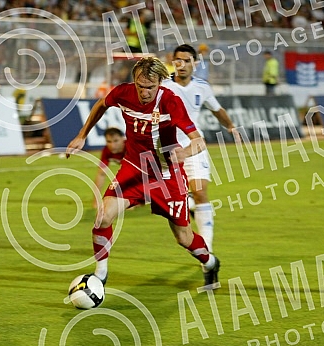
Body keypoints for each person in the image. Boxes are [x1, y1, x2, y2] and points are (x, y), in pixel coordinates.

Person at [66, 56, 220, 288]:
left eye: (150, 87)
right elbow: (101, 105)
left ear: (160, 83)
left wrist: (185, 153)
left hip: (167, 175)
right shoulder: (123, 93)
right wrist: (82, 135)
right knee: (103, 217)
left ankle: (210, 262)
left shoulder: (171, 101)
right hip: (134, 168)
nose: (145, 92)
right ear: (134, 81)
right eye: (140, 86)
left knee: (183, 238)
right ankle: (100, 275)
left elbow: (198, 141)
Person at [161, 44, 238, 285]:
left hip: (193, 148)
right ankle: (189, 207)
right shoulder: (162, 86)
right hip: (166, 151)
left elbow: (217, 109)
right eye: (177, 60)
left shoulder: (202, 87)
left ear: (195, 63)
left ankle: (207, 251)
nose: (181, 64)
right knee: (173, 204)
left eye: (186, 60)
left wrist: (232, 127)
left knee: (200, 191)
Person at [93, 127, 126, 208]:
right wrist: (96, 201)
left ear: (123, 139)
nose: (112, 145)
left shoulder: (131, 147)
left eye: (116, 141)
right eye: (109, 141)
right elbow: (101, 174)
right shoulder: (107, 151)